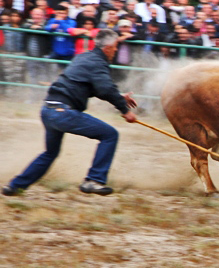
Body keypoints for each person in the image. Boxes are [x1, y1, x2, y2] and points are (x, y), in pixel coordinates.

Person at [2, 29, 138, 197]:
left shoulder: (83, 57)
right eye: (116, 46)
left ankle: (15, 186)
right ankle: (94, 180)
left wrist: (118, 97)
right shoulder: (98, 62)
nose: (116, 50)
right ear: (108, 47)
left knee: (50, 153)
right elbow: (104, 88)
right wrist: (125, 111)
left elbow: (90, 86)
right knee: (110, 135)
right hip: (63, 112)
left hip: (48, 110)